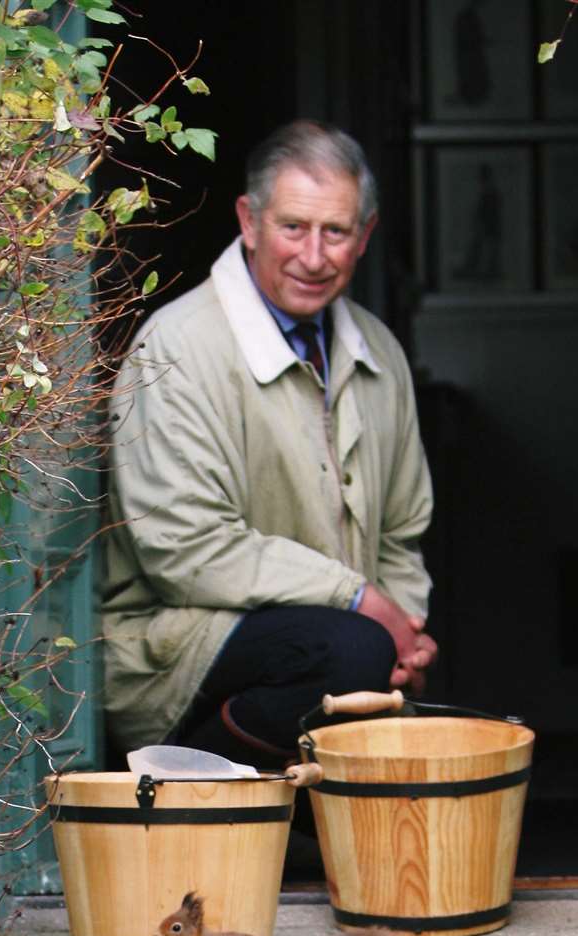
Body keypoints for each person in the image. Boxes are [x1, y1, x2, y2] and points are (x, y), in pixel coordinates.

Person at [102, 120, 437, 768]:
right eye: (292, 227)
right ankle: (188, 794)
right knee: (350, 649)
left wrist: (407, 637)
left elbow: (401, 531)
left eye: (334, 232)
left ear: (362, 236)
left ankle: (301, 810)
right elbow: (185, 549)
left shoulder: (379, 351)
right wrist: (362, 603)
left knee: (374, 670)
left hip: (336, 653)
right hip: (173, 659)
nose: (313, 257)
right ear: (248, 222)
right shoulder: (177, 346)